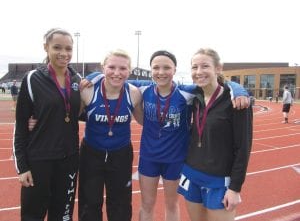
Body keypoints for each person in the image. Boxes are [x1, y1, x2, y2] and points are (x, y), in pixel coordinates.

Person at [84, 50, 249, 221]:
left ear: (175, 70)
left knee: (171, 205)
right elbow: (113, 77)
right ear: (151, 70)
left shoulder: (188, 92)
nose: (161, 72)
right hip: (149, 157)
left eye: (166, 68)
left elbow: (220, 84)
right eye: (156, 68)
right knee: (147, 205)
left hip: (176, 159)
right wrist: (92, 75)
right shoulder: (142, 88)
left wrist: (239, 90)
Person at [13, 28, 82, 221]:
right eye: (57, 47)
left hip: (68, 160)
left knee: (62, 216)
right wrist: (22, 166)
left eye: (68, 48)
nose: (64, 53)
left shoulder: (77, 80)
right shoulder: (33, 78)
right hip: (39, 160)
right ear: (46, 48)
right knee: (33, 215)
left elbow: (81, 113)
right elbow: (20, 125)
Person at [178, 48, 253, 221]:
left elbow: (243, 148)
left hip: (219, 180)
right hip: (191, 174)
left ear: (218, 68)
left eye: (205, 66)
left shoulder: (236, 101)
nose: (199, 72)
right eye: (194, 67)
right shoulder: (194, 96)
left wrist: (235, 189)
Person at [78, 49, 143, 221]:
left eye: (123, 68)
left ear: (130, 70)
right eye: (112, 67)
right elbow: (67, 118)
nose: (117, 73)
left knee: (120, 204)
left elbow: (144, 121)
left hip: (121, 154)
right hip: (91, 153)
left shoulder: (134, 93)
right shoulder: (88, 91)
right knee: (90, 203)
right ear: (103, 68)